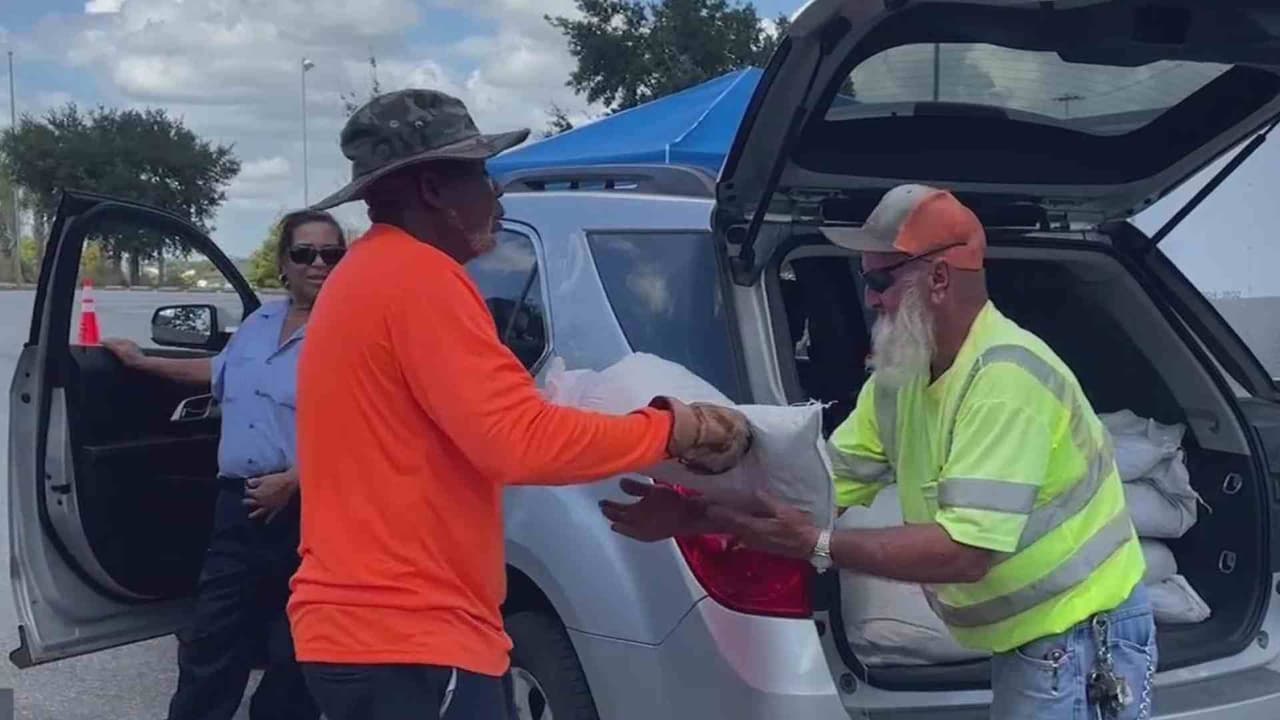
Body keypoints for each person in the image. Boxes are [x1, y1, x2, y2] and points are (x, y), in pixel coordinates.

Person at [602, 185, 1156, 720]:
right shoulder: (902, 379)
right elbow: (820, 487)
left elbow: (964, 552)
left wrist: (819, 546)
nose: (870, 298)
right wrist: (698, 514)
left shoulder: (1006, 381)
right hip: (1033, 638)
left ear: (939, 278)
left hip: (1081, 637)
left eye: (880, 280)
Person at [289, 87, 753, 720]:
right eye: (481, 175)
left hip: (366, 633)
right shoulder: (419, 278)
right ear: (432, 189)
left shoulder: (365, 276)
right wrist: (673, 430)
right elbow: (518, 441)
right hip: (411, 637)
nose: (497, 193)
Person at [102, 209, 347, 720]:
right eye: (305, 253)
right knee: (212, 636)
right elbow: (218, 371)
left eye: (332, 253)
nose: (319, 264)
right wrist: (142, 362)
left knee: (295, 647)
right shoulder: (259, 323)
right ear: (283, 263)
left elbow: (368, 425)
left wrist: (295, 479)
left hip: (312, 511)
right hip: (237, 505)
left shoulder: (355, 330)